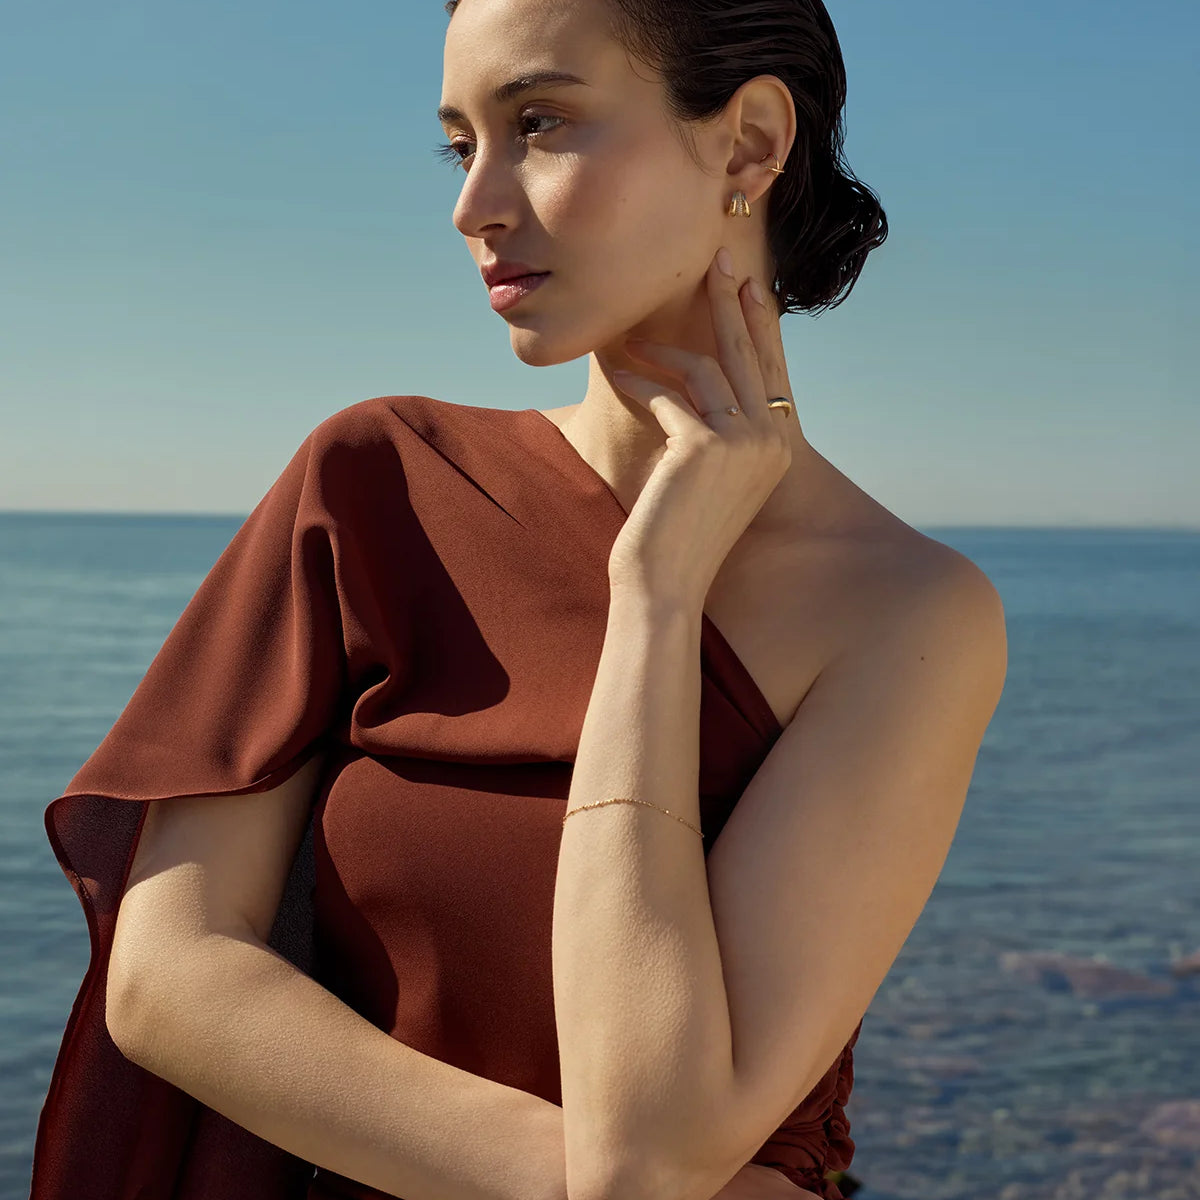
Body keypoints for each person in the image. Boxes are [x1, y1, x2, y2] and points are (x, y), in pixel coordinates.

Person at [28, 1, 1008, 1199]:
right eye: (461, 146)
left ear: (750, 142)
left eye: (539, 123)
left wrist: (656, 596)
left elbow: (655, 1142)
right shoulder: (379, 483)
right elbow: (168, 974)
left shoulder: (908, 617)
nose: (473, 205)